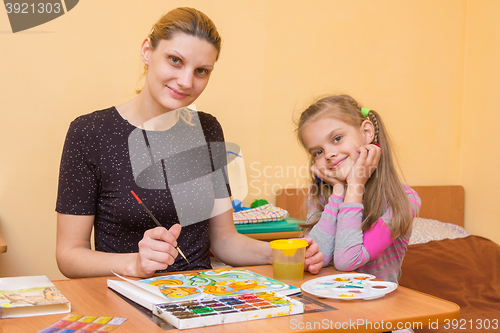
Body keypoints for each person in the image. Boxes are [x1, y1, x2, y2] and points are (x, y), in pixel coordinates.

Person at [55, 7, 324, 279]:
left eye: (201, 71)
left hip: (199, 298)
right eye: (175, 60)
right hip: (124, 297)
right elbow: (69, 255)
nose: (186, 82)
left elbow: (224, 241)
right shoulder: (90, 133)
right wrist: (135, 264)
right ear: (147, 50)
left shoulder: (207, 130)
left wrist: (278, 253)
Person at [296, 94, 420, 283]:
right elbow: (317, 257)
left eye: (337, 138)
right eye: (318, 152)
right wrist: (339, 191)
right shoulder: (323, 194)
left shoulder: (403, 200)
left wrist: (354, 186)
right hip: (329, 299)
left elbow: (347, 261)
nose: (329, 154)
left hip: (378, 307)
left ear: (367, 133)